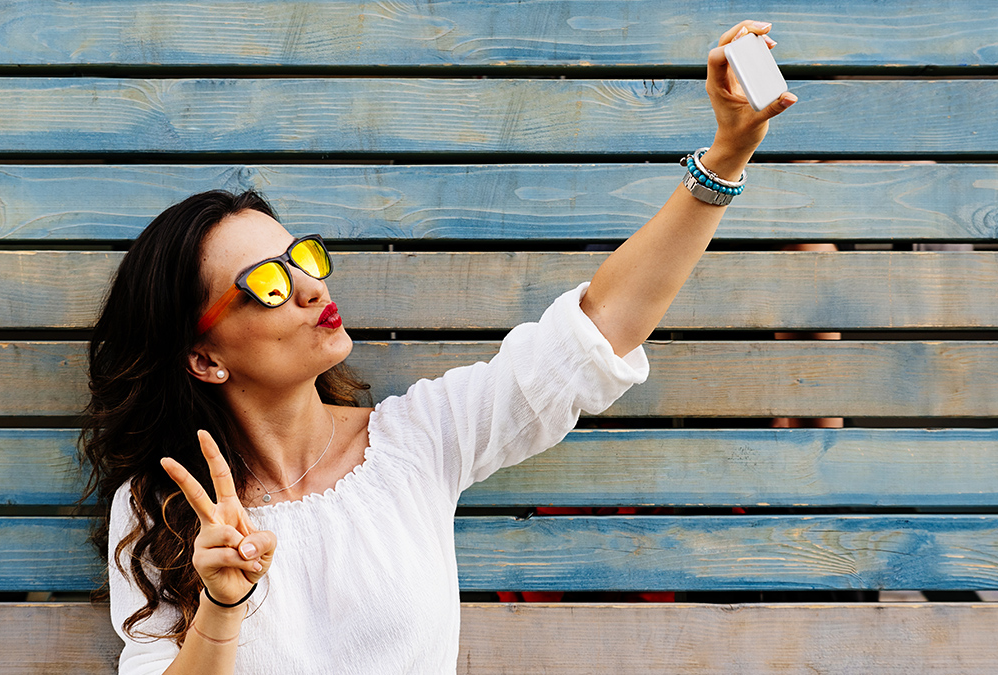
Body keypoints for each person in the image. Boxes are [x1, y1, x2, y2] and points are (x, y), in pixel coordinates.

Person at [81, 19, 796, 674]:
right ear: (205, 358)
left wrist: (725, 157)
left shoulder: (415, 441)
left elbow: (594, 331)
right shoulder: (165, 512)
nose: (306, 286)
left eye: (303, 257)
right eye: (266, 282)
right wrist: (222, 606)